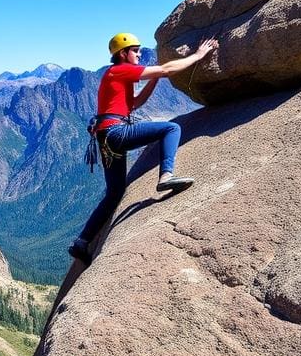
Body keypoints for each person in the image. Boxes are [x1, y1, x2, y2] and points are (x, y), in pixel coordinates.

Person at [68, 32, 218, 263]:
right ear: (122, 54)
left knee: (115, 193)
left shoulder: (116, 76)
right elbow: (167, 69)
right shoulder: (120, 70)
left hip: (106, 137)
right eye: (135, 51)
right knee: (171, 129)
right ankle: (166, 176)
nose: (139, 54)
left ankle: (81, 243)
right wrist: (198, 55)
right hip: (116, 133)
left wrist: (154, 78)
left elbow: (135, 104)